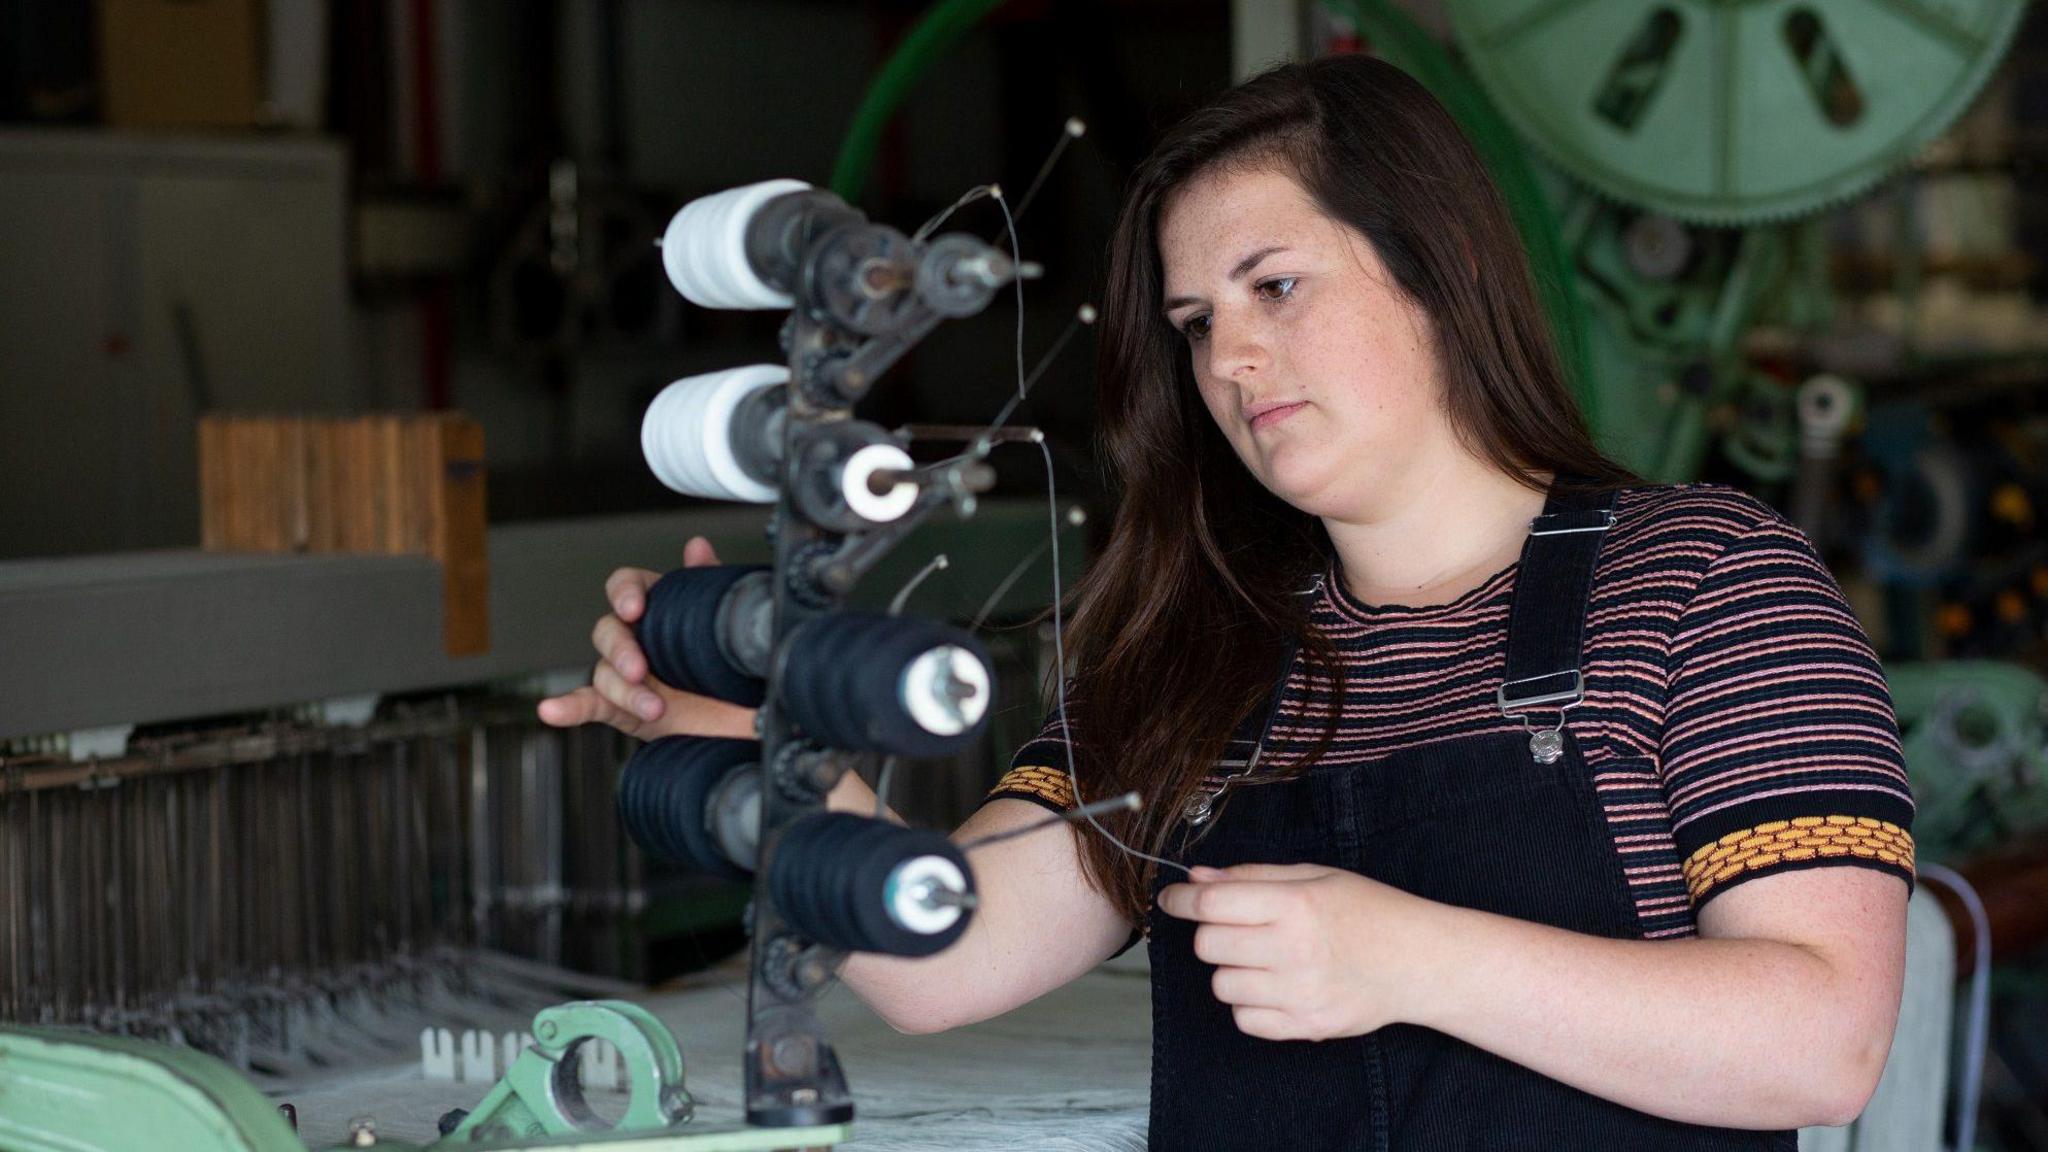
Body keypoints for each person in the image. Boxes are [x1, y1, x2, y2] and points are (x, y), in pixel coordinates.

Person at [540, 54, 1913, 1150]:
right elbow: (936, 955)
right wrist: (750, 718)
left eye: (1276, 286)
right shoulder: (1208, 651)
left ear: (1440, 273)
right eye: (1197, 322)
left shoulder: (1710, 583)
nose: (1234, 359)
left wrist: (1409, 959)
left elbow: (1822, 1043)